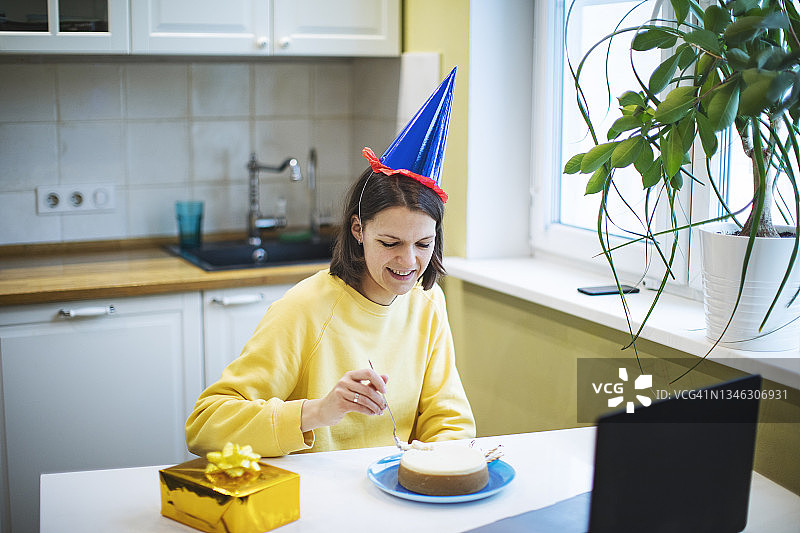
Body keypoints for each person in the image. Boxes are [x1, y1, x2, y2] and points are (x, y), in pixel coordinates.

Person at [185, 67, 475, 457]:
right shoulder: (304, 309)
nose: (409, 261)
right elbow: (204, 425)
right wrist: (318, 411)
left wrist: (440, 465)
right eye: (390, 242)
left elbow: (449, 420)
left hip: (395, 487)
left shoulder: (428, 303)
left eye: (423, 243)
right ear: (358, 230)